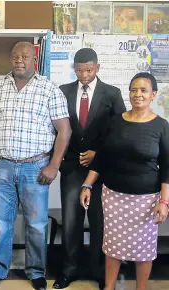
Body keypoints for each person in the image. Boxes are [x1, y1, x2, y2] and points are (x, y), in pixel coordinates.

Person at [0, 42, 72, 290]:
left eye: (24, 56)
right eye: (14, 56)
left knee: (36, 223)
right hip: (3, 166)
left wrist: (53, 165)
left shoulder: (49, 89)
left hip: (36, 167)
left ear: (35, 59)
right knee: (0, 221)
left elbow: (64, 130)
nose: (19, 60)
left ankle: (35, 272)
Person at [80, 72, 169, 290]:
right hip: (113, 196)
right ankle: (109, 287)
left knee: (144, 249)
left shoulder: (161, 126)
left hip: (146, 200)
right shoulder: (115, 122)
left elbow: (167, 167)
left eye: (144, 90)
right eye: (134, 89)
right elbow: (102, 157)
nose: (138, 94)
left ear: (153, 95)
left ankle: (141, 288)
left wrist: (164, 202)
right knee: (112, 246)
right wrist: (87, 184)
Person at [53, 48, 126, 290]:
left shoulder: (112, 93)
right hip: (73, 166)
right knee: (71, 221)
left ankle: (99, 270)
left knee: (100, 221)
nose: (83, 75)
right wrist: (60, 160)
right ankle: (68, 270)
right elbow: (58, 128)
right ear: (73, 68)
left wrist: (98, 153)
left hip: (102, 169)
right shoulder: (63, 91)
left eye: (88, 70)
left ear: (97, 68)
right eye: (79, 70)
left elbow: (119, 130)